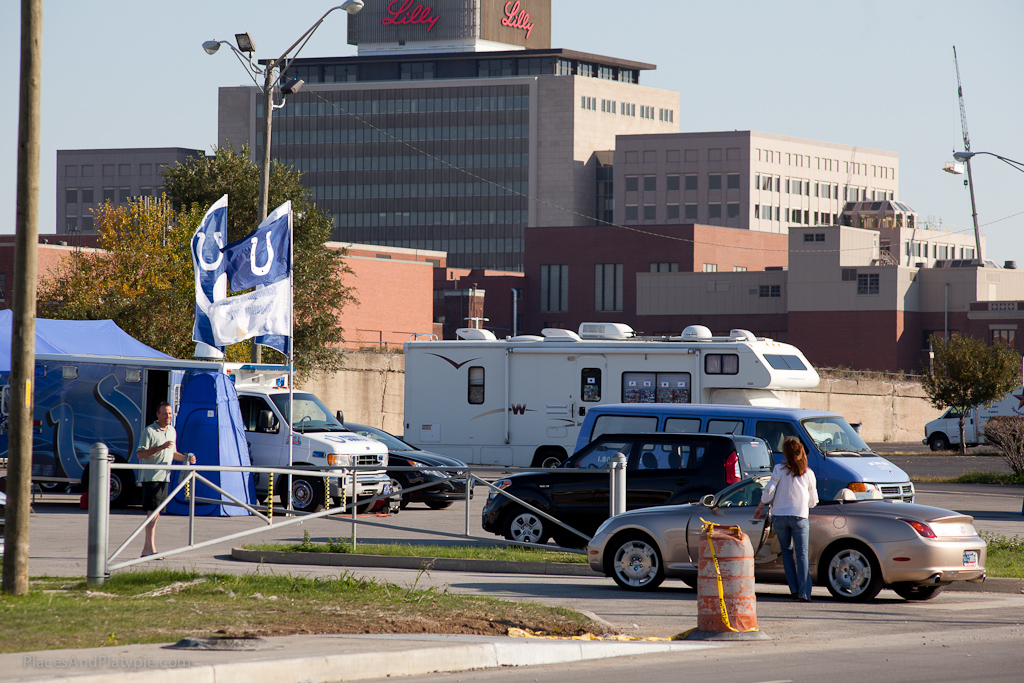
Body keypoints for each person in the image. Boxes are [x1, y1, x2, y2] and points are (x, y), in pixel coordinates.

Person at [753, 436, 818, 601]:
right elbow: (813, 500)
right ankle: (804, 593)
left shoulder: (779, 469)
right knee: (802, 554)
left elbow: (769, 491)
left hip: (780, 516)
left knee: (786, 553)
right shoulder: (808, 473)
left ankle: (794, 590)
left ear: (786, 453)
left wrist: (760, 507)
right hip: (799, 516)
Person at [136, 401, 196, 558]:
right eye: (165, 413)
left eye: (170, 413)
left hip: (165, 477)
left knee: (156, 514)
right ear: (158, 415)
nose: (168, 416)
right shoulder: (149, 431)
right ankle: (150, 549)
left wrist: (187, 457)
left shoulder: (172, 431)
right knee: (152, 513)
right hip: (151, 477)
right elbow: (140, 454)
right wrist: (160, 447)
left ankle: (147, 549)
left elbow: (173, 453)